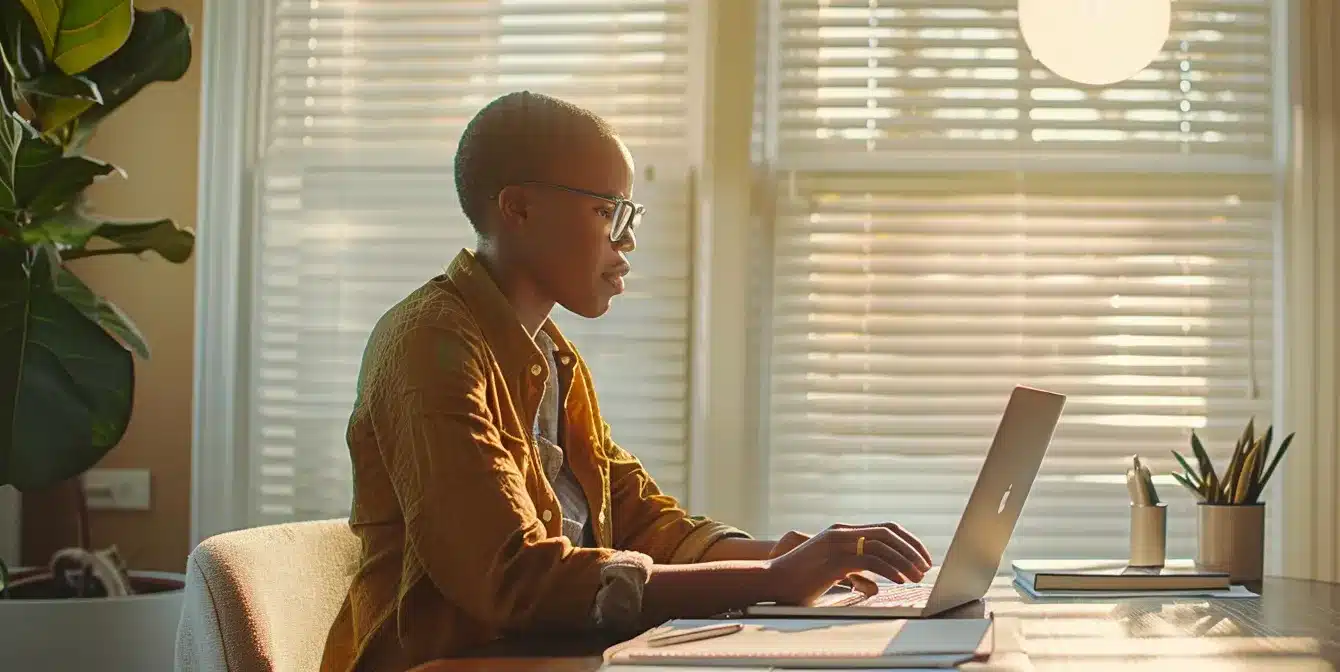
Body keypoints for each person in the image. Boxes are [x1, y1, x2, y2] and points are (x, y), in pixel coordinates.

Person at [320, 91, 933, 672]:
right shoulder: (430, 344)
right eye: (606, 211)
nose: (628, 239)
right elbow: (511, 577)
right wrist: (774, 581)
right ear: (519, 208)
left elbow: (642, 523)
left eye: (627, 213)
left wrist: (786, 555)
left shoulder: (552, 358)